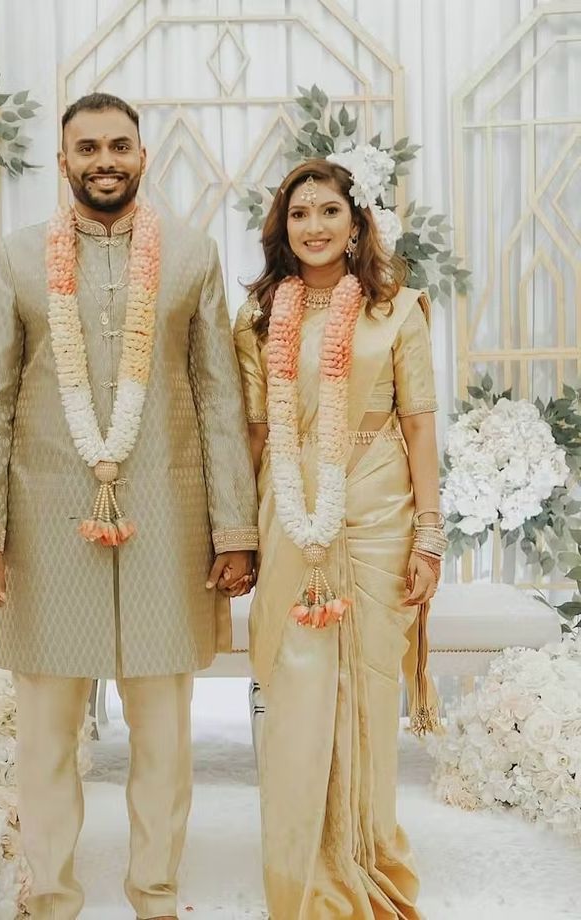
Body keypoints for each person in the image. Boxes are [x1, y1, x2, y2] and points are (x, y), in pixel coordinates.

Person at [0, 92, 258, 920]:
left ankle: (155, 895)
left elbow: (219, 401)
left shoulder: (193, 255)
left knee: (164, 736)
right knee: (46, 734)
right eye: (86, 148)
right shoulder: (19, 258)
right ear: (62, 163)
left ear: (142, 156)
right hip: (43, 522)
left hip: (167, 520)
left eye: (119, 146)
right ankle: (53, 898)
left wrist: (235, 530)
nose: (104, 161)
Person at [231, 155, 446, 918]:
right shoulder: (257, 321)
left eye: (328, 211)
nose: (314, 226)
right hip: (291, 514)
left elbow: (419, 427)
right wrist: (234, 536)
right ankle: (303, 874)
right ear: (281, 229)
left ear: (357, 224)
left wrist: (430, 537)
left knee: (369, 687)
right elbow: (254, 437)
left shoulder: (397, 311)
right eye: (299, 213)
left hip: (380, 511)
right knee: (295, 692)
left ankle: (365, 858)